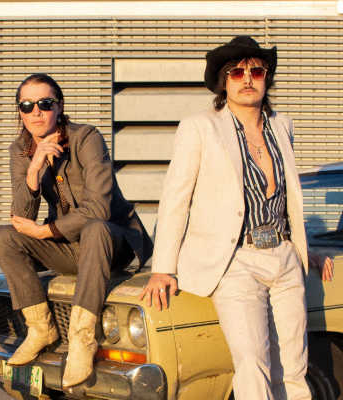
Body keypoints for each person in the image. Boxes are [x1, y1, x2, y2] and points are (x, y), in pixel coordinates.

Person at [142, 36, 334, 399]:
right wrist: (163, 267)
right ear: (223, 82)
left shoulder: (282, 126)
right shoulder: (201, 127)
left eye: (256, 71)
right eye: (237, 73)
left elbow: (286, 201)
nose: (247, 79)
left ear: (267, 78)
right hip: (236, 261)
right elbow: (175, 200)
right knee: (253, 363)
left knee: (294, 366)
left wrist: (302, 248)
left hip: (284, 257)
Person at [0, 73, 153, 388]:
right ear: (19, 111)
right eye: (26, 106)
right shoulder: (20, 150)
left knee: (94, 228)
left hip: (113, 243)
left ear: (59, 106)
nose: (36, 112)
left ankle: (82, 339)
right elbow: (21, 218)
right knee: (4, 237)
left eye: (44, 103)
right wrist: (34, 169)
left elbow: (98, 209)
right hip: (71, 246)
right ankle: (41, 329)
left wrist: (45, 231)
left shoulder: (86, 138)